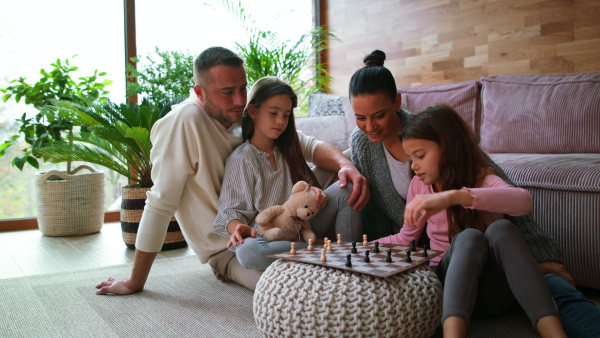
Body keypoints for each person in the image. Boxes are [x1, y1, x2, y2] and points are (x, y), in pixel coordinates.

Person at [348, 49, 600, 338]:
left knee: (554, 285)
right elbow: (402, 234)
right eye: (360, 118)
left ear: (396, 102)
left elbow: (517, 203)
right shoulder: (390, 161)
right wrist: (361, 251)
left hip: (498, 265)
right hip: (447, 263)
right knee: (469, 240)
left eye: (378, 115)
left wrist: (538, 259)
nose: (370, 126)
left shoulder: (440, 138)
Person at [95, 46, 369, 294]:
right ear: (200, 92)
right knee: (289, 289)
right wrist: (135, 282)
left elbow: (307, 145)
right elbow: (160, 204)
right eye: (227, 92)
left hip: (292, 222)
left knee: (351, 160)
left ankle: (346, 251)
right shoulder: (185, 121)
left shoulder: (242, 118)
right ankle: (320, 250)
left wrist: (346, 166)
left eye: (243, 88)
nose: (239, 100)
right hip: (234, 246)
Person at [375, 103, 566, 337]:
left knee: (502, 229)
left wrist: (455, 196)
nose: (414, 166)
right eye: (410, 158)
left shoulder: (482, 177)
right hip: (453, 287)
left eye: (421, 156)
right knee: (469, 237)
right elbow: (406, 238)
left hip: (496, 292)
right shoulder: (419, 186)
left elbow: (523, 202)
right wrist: (360, 246)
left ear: (448, 148)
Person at [213, 76, 362, 270]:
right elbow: (229, 211)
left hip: (305, 226)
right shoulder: (242, 159)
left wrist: (316, 193)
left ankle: (346, 256)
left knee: (347, 188)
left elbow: (306, 190)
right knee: (249, 252)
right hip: (271, 238)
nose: (280, 121)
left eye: (286, 115)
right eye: (273, 113)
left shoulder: (290, 147)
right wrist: (237, 228)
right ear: (253, 111)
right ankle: (324, 252)